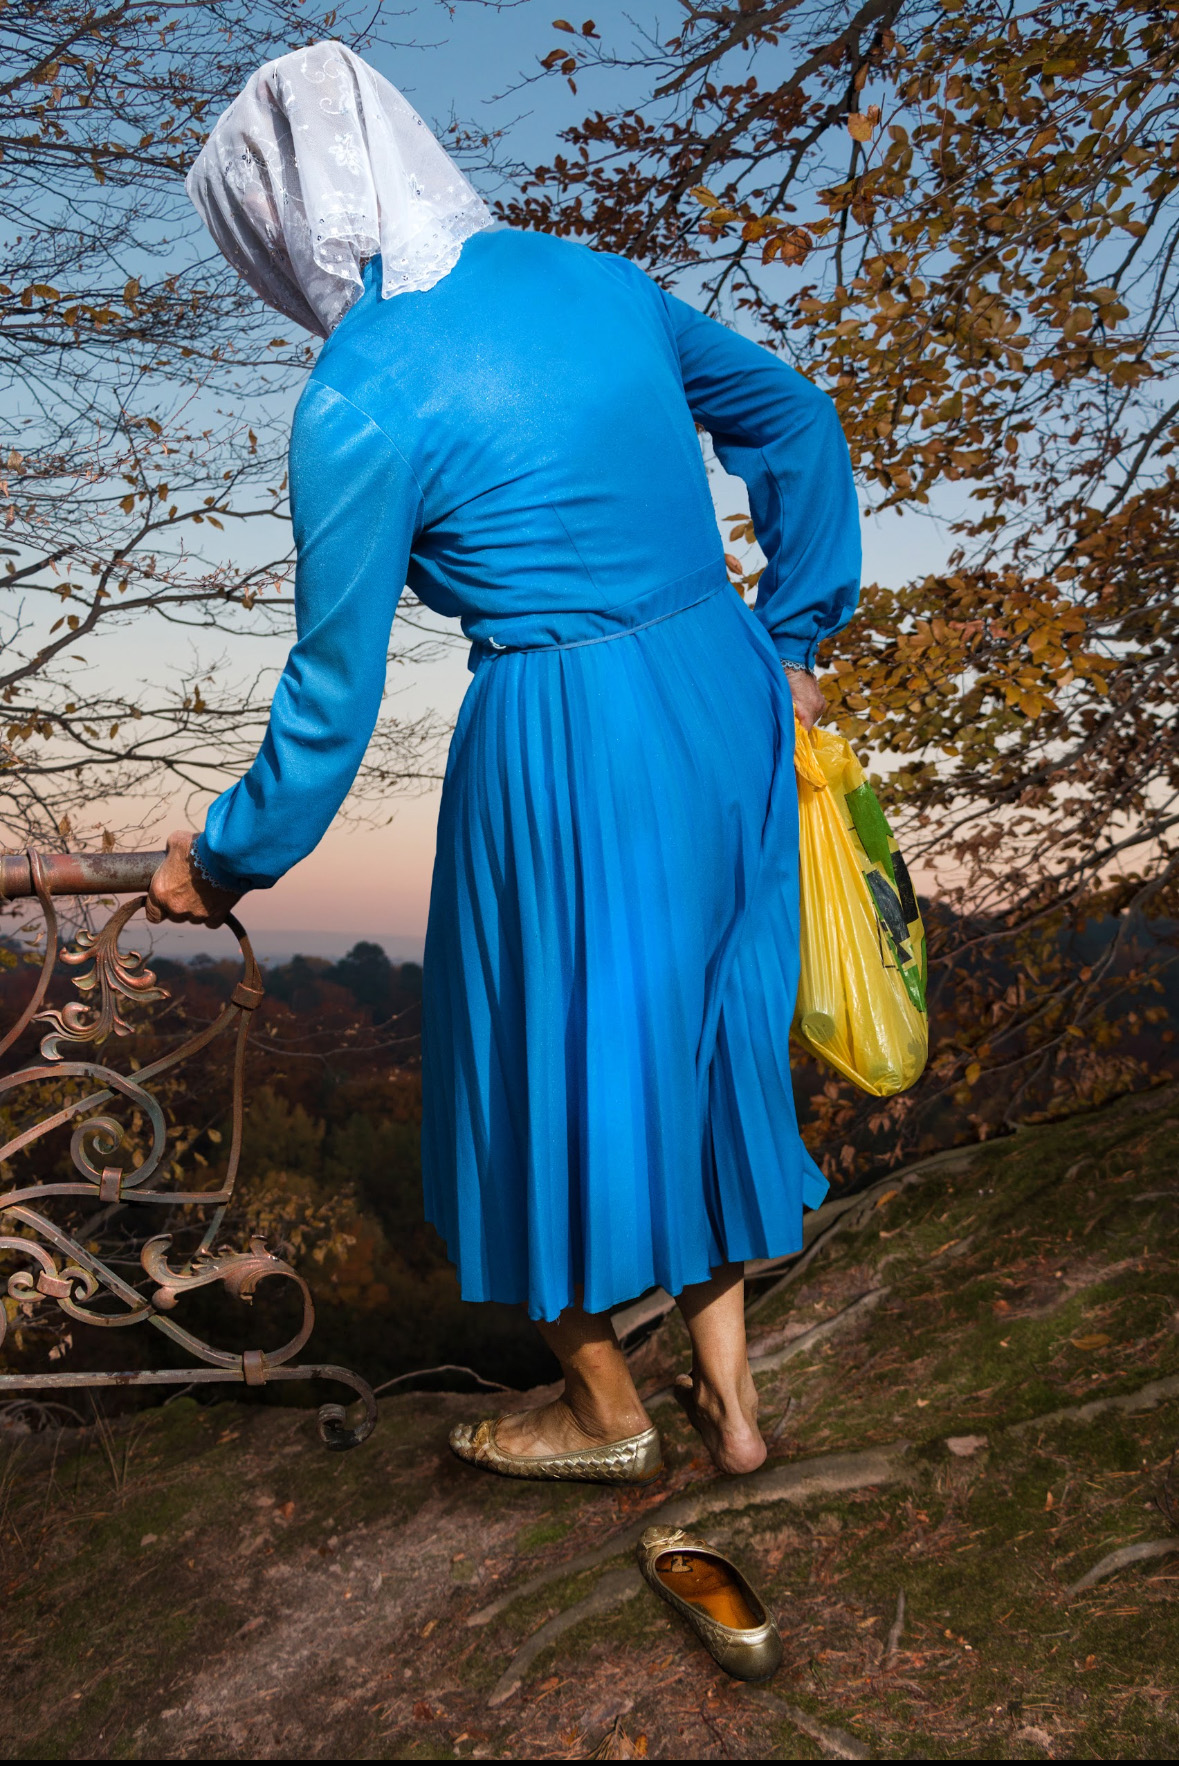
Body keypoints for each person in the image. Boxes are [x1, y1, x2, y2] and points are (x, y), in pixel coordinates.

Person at [150, 40, 860, 1482]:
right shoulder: (589, 276)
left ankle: (606, 1411)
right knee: (696, 1039)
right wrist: (792, 631)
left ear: (281, 218)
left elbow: (332, 695)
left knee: (522, 1072)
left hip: (566, 731)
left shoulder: (358, 395)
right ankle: (733, 1409)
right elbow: (796, 413)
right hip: (721, 690)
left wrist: (225, 858)